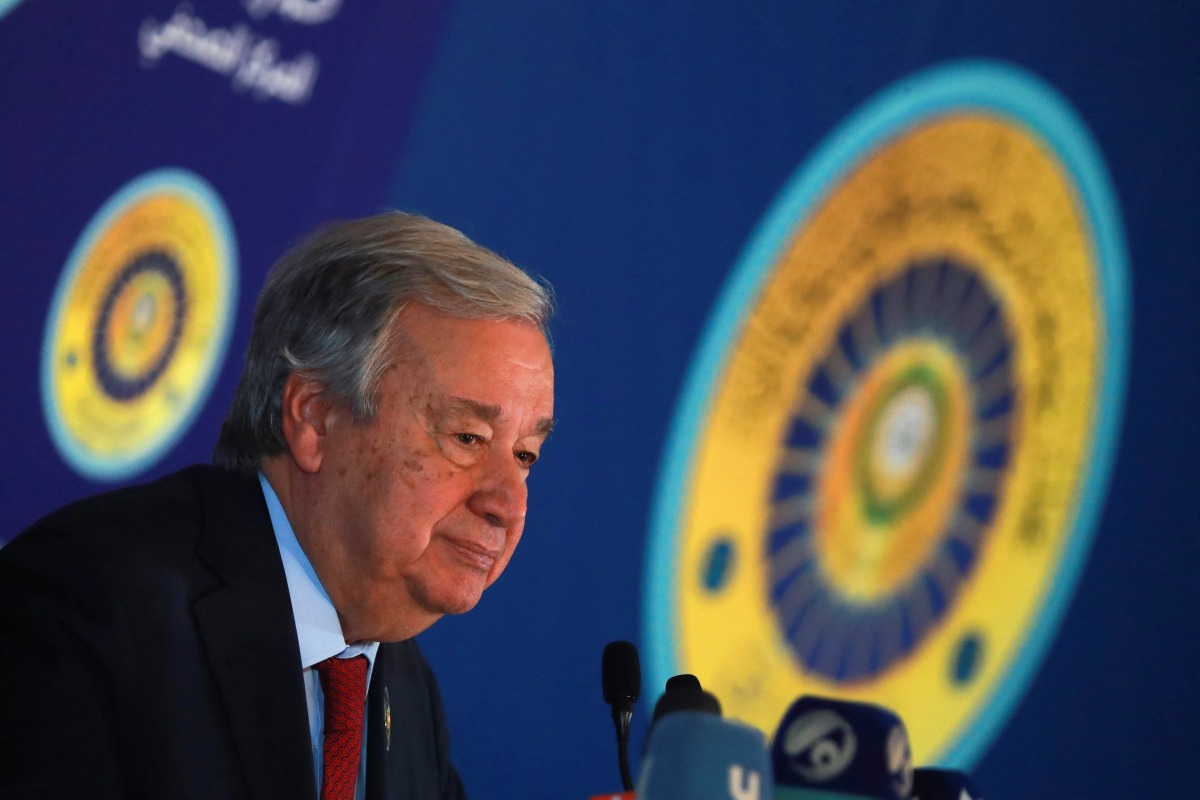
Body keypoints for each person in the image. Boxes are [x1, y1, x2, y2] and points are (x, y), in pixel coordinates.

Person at [0, 212, 556, 799]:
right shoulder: (92, 602)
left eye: (525, 456)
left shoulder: (404, 685)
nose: (507, 503)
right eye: (467, 438)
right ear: (316, 419)